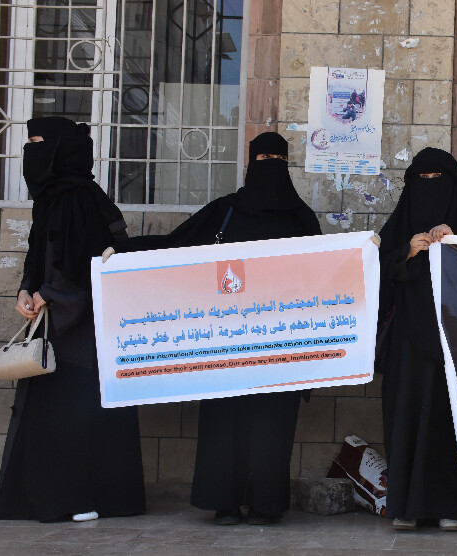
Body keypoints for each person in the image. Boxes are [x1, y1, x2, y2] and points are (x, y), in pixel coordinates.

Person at [119, 132, 322, 525]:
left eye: (277, 160)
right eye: (263, 159)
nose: (270, 167)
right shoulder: (225, 212)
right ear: (250, 164)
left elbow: (324, 277)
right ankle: (224, 503)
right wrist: (122, 255)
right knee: (225, 425)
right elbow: (175, 247)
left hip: (279, 346)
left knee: (271, 427)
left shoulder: (301, 219)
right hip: (225, 344)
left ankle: (264, 505)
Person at [0, 116, 145, 522]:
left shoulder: (81, 198)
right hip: (56, 324)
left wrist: (49, 295)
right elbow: (39, 253)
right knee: (54, 414)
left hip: (84, 333)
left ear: (59, 148)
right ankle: (52, 497)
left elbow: (90, 264)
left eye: (37, 141)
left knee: (76, 412)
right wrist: (27, 289)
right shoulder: (52, 198)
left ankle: (81, 499)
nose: (31, 151)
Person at [377, 148, 457, 531]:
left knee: (449, 423)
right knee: (405, 420)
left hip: (455, 344)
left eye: (437, 181)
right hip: (406, 344)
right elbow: (374, 278)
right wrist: (407, 252)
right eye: (422, 180)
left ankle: (448, 506)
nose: (429, 188)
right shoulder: (397, 230)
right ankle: (405, 507)